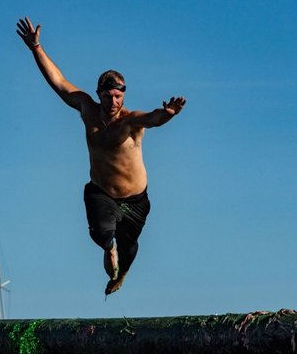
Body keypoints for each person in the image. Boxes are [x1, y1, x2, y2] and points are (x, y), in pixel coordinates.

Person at [16, 17, 186, 296]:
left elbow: (153, 119)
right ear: (99, 95)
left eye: (118, 96)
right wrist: (36, 48)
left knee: (130, 249)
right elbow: (59, 82)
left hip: (135, 199)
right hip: (102, 192)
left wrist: (167, 114)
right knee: (100, 231)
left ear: (123, 96)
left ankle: (121, 268)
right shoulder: (87, 109)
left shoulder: (130, 121)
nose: (113, 102)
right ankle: (109, 247)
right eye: (108, 96)